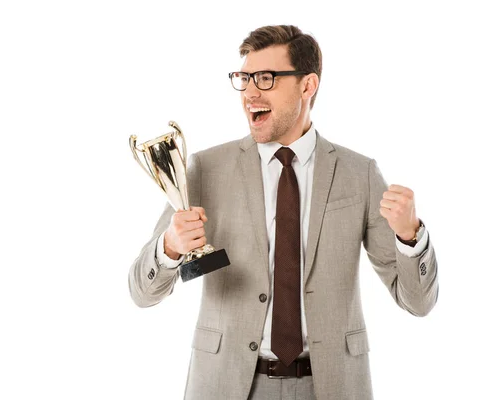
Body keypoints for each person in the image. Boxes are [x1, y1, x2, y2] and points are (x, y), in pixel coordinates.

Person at [128, 25, 438, 400]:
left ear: (308, 86)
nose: (249, 93)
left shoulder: (360, 174)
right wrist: (171, 248)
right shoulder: (204, 170)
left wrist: (410, 237)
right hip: (225, 383)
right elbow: (142, 293)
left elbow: (417, 302)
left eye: (265, 78)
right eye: (243, 79)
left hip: (331, 385)